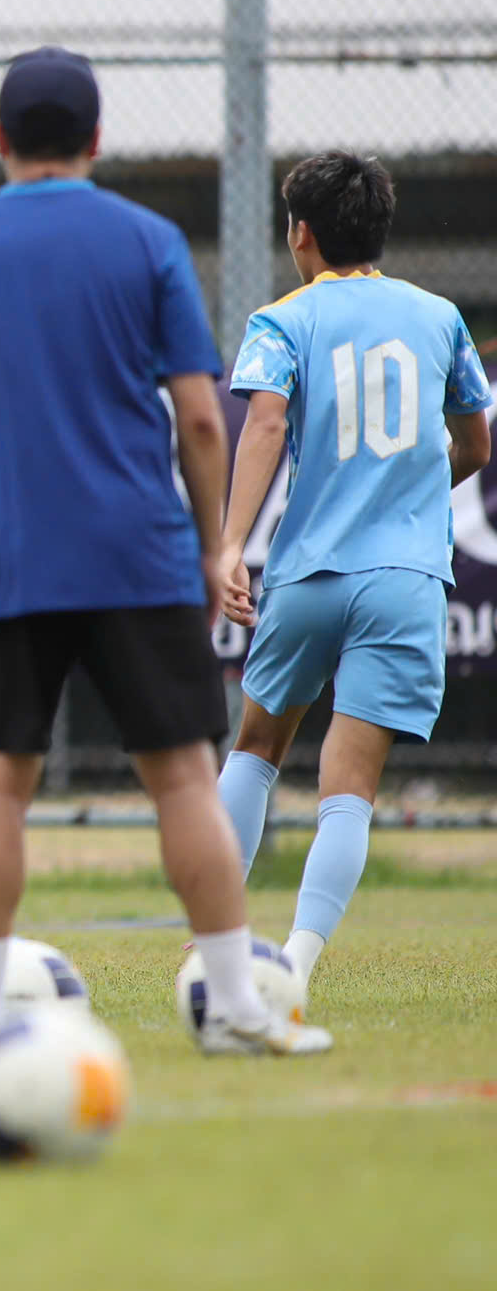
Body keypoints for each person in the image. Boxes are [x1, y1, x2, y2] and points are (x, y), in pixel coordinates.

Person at [0, 46, 330, 1054]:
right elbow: (201, 418)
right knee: (181, 780)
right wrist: (218, 546)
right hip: (138, 555)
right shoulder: (146, 239)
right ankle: (239, 1008)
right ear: (96, 140)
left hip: (8, 558)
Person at [212, 152, 491, 991]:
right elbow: (477, 443)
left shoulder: (283, 318)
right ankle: (296, 962)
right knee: (351, 782)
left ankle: (223, 947)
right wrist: (408, 490)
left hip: (309, 570)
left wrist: (229, 547)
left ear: (300, 233)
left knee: (257, 747)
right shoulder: (440, 317)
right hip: (404, 576)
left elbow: (264, 427)